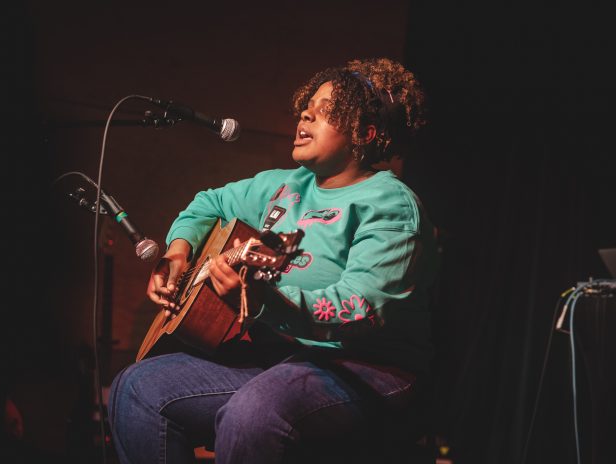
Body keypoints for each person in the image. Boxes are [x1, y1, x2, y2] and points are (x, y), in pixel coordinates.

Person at [107, 57, 439, 464]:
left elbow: (360, 309)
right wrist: (178, 254)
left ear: (365, 133)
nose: (306, 113)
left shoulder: (389, 204)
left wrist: (266, 301)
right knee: (137, 389)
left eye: (327, 110)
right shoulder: (283, 185)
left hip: (368, 368)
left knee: (254, 412)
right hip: (279, 358)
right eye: (308, 105)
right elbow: (207, 204)